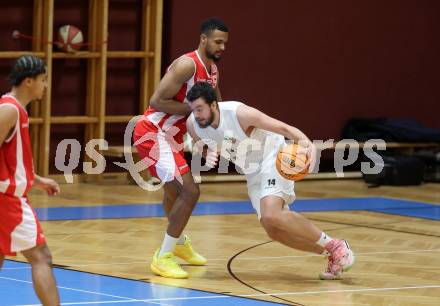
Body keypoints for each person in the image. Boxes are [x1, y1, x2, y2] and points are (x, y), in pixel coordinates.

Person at [185, 82, 355, 280]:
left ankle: (336, 245)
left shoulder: (240, 114)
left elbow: (284, 127)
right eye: (193, 109)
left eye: (200, 109)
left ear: (213, 105)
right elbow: (201, 144)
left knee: (272, 213)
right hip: (251, 170)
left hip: (272, 155)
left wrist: (306, 143)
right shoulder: (192, 124)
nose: (197, 115)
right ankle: (332, 254)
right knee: (273, 230)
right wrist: (207, 153)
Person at [133, 18, 229, 278]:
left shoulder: (212, 71)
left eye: (225, 43)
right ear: (203, 39)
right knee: (190, 191)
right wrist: (196, 108)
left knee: (173, 194)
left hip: (172, 136)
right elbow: (156, 100)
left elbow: (217, 107)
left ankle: (179, 245)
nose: (222, 47)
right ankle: (162, 256)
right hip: (152, 132)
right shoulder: (187, 65)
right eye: (218, 41)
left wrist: (217, 138)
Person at [0, 55, 61, 305]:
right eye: (43, 80)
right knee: (41, 256)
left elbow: (10, 161)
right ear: (28, 81)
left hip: (7, 194)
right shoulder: (10, 110)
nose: (45, 86)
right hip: (7, 200)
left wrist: (37, 180)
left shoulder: (15, 108)